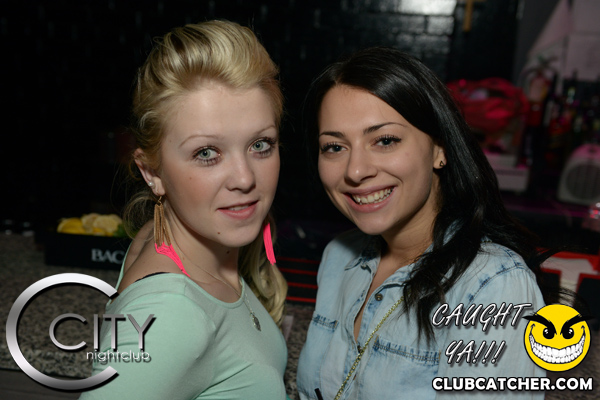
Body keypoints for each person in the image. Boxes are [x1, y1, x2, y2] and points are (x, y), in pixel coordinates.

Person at [297, 47, 549, 399]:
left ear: (439, 149)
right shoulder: (339, 258)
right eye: (334, 147)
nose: (355, 170)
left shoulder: (492, 287)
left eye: (385, 140)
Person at [81, 20, 288, 400]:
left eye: (260, 145)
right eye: (206, 153)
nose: (245, 178)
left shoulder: (160, 236)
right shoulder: (171, 314)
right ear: (152, 172)